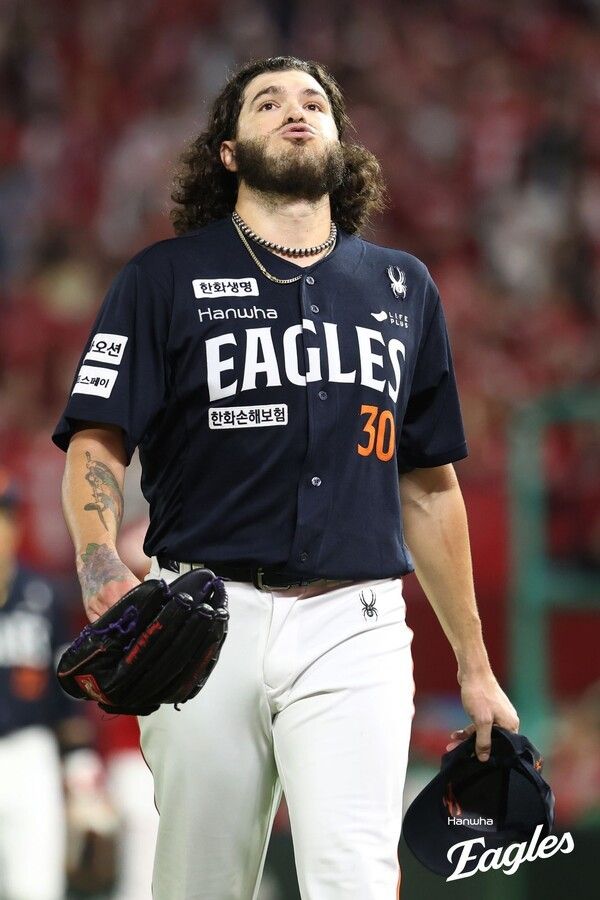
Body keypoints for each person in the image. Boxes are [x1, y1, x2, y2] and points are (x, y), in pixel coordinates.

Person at [53, 56, 519, 900]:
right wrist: (96, 558)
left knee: (354, 878)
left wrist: (475, 667)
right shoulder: (162, 279)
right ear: (229, 151)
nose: (295, 111)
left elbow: (429, 487)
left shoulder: (403, 287)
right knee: (201, 885)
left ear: (340, 142)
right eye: (267, 102)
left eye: (314, 102)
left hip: (356, 621)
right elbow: (97, 441)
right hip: (202, 616)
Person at [0, 468, 106, 900]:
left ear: (16, 524)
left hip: (31, 754)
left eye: (4, 516)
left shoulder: (42, 596)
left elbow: (68, 692)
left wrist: (80, 770)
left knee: (36, 888)